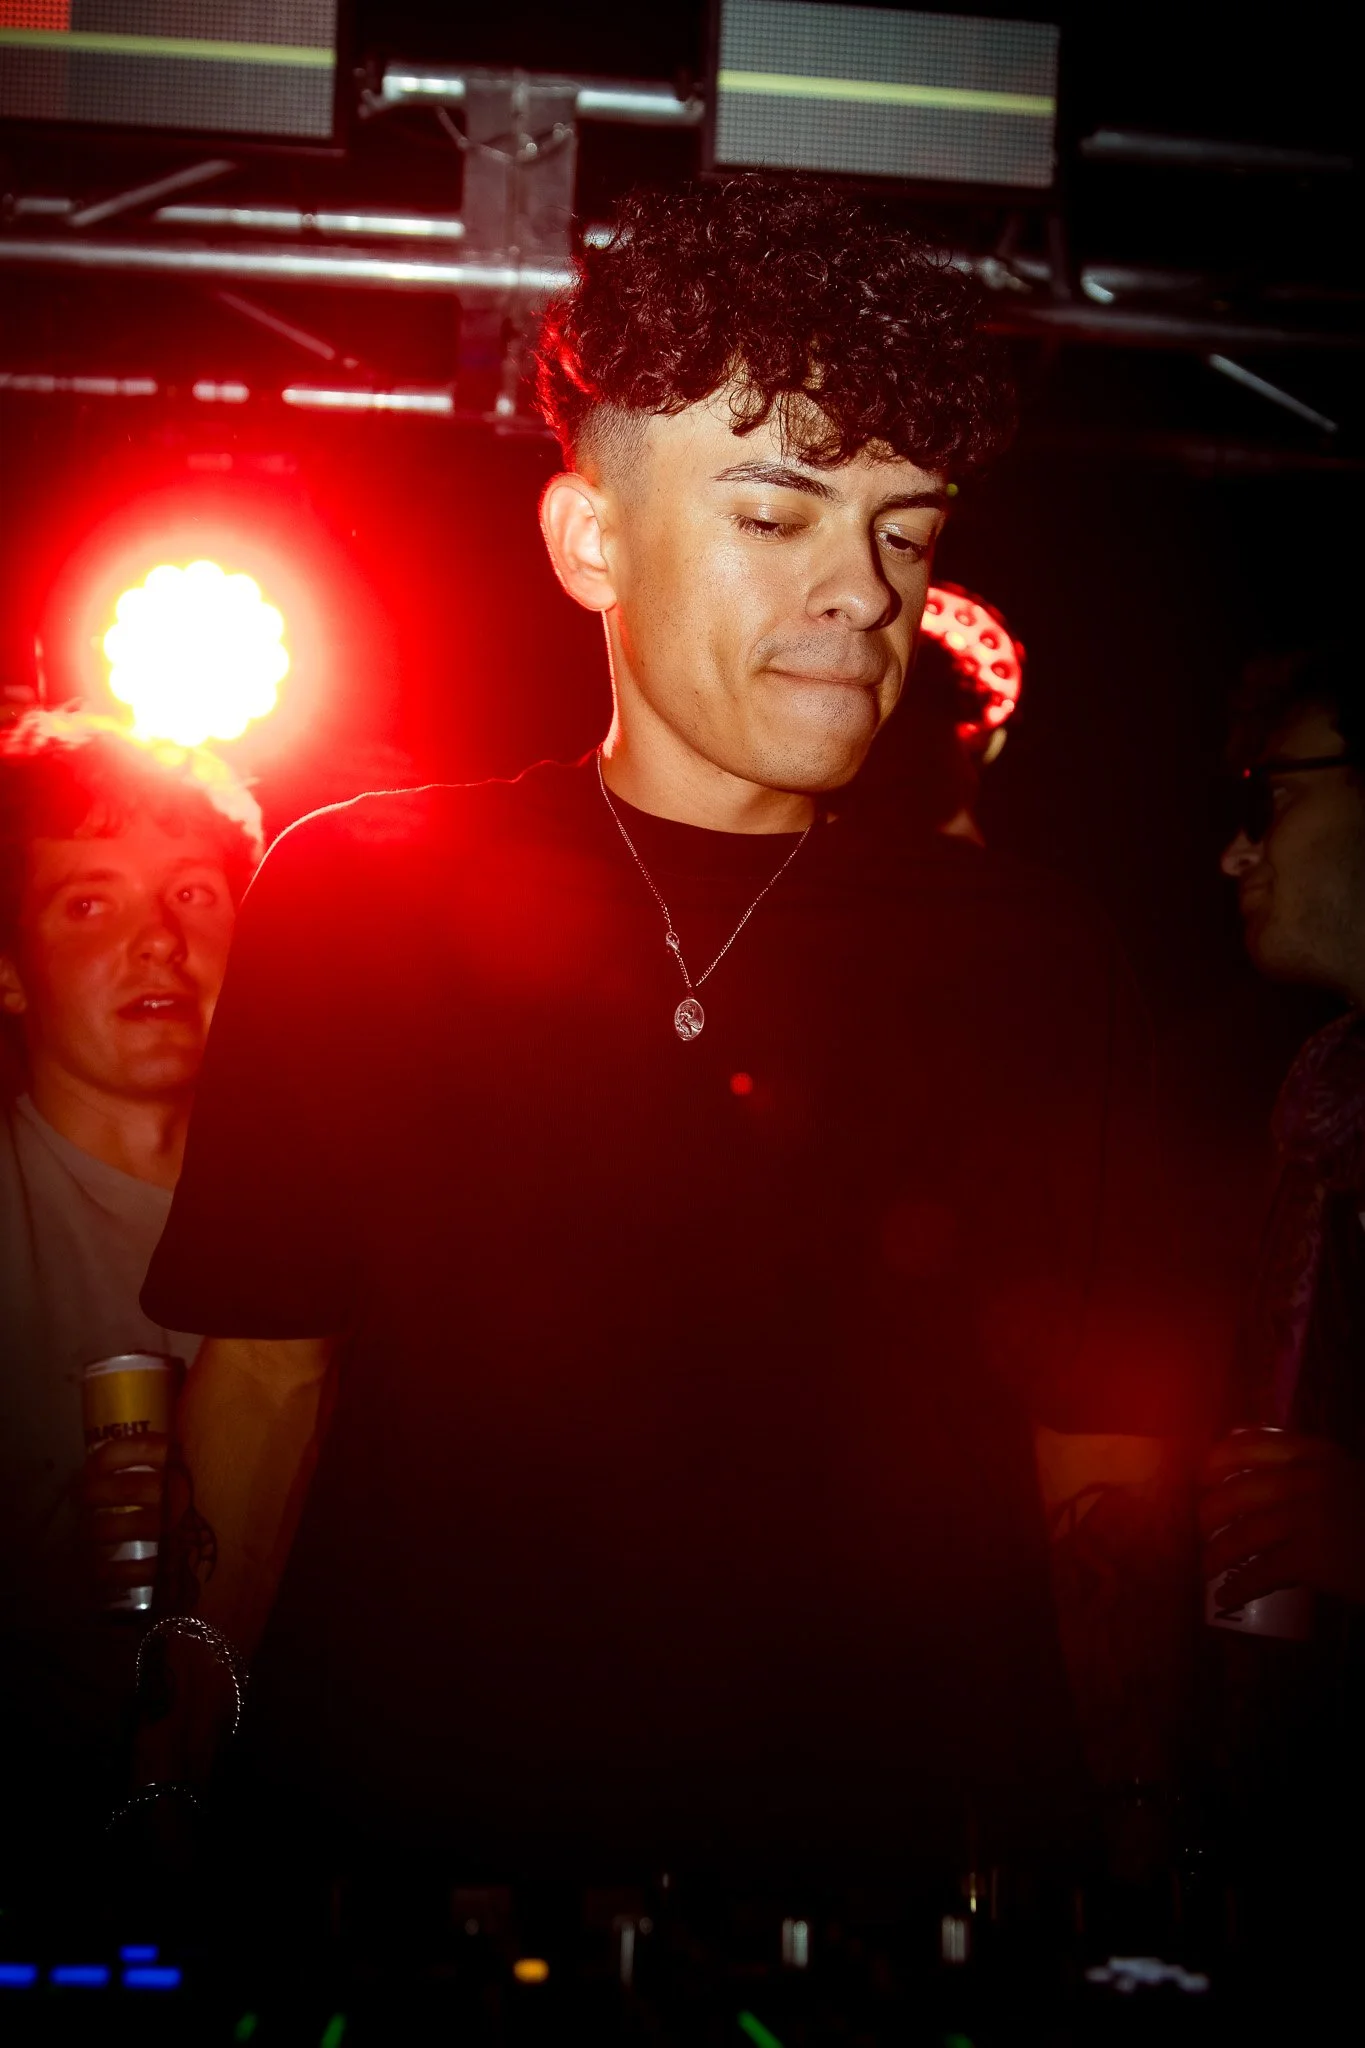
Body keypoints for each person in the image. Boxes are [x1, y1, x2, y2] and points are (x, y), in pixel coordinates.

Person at [139, 178, 1189, 1889]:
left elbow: (1106, 1463)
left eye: (905, 529)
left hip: (874, 1887)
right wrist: (173, 1791)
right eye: (779, 515)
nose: (866, 591)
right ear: (590, 542)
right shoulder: (358, 896)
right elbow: (260, 1389)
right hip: (404, 1862)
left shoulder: (1041, 963)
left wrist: (1136, 1829)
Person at [0, 710, 262, 1832]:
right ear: (9, 971)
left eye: (195, 894)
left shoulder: (352, 1230)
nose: (158, 942)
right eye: (90, 901)